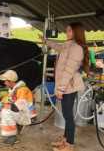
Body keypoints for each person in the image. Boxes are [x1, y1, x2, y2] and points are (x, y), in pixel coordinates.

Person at [40, 22, 88, 151]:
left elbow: (68, 71)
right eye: (66, 30)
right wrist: (45, 41)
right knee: (67, 115)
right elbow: (57, 46)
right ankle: (65, 140)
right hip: (65, 86)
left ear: (76, 33)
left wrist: (60, 89)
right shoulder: (68, 46)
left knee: (68, 116)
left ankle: (69, 145)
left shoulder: (76, 48)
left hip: (69, 87)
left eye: (69, 31)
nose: (67, 33)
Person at [0, 70, 36, 145]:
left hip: (27, 116)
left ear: (10, 81)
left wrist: (2, 106)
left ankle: (12, 137)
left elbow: (17, 107)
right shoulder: (13, 90)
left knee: (6, 112)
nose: (4, 83)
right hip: (19, 114)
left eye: (5, 81)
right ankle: (14, 130)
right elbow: (8, 100)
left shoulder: (22, 90)